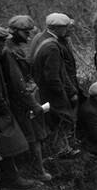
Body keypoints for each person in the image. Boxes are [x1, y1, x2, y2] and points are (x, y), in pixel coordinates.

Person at [2, 15, 51, 182]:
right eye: (26, 33)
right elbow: (18, 83)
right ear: (15, 31)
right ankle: (37, 171)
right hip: (22, 101)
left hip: (27, 97)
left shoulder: (15, 45)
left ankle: (37, 168)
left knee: (36, 134)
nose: (29, 37)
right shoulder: (9, 50)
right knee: (32, 135)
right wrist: (33, 104)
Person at [30, 12, 81, 159]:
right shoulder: (52, 46)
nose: (67, 31)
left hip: (40, 87)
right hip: (51, 91)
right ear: (57, 28)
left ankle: (58, 148)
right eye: (65, 28)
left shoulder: (40, 37)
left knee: (52, 120)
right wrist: (64, 94)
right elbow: (54, 76)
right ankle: (62, 150)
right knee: (62, 118)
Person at [0, 26, 35, 189]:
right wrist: (4, 109)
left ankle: (7, 177)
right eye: (0, 43)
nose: (3, 46)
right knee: (9, 141)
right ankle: (13, 178)